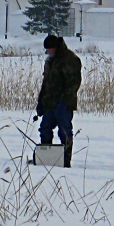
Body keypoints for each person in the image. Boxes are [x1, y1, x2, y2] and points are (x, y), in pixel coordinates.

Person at [35, 34, 83, 167]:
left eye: (49, 49)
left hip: (64, 103)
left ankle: (66, 160)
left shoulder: (70, 59)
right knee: (44, 128)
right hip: (49, 103)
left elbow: (74, 83)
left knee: (64, 131)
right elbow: (46, 83)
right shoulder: (50, 61)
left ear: (55, 47)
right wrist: (41, 102)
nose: (48, 52)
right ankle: (46, 158)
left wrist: (64, 101)